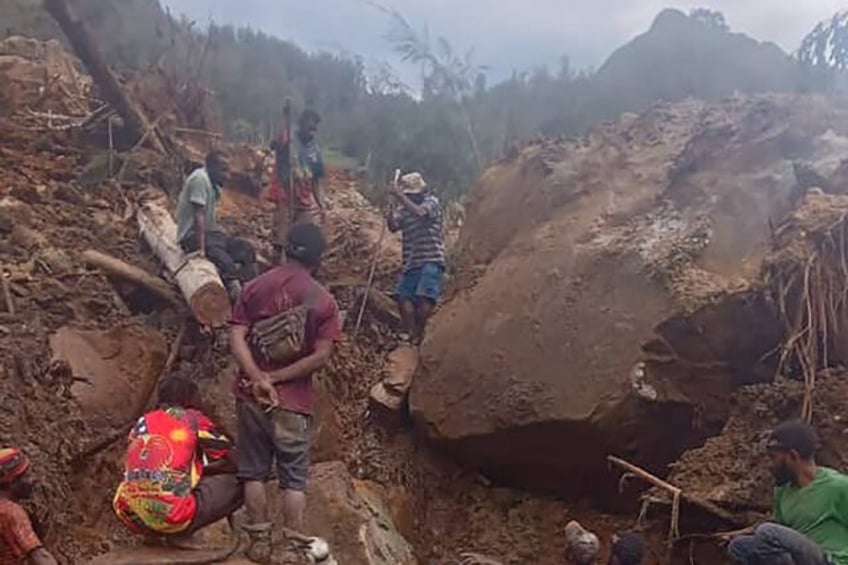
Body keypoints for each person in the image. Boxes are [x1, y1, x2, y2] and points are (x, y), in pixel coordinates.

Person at [230, 222, 342, 562]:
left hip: (251, 395)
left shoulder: (254, 287)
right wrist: (277, 379)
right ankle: (293, 548)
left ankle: (259, 543)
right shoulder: (323, 301)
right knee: (293, 479)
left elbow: (236, 337)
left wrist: (258, 378)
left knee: (253, 471)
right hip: (293, 404)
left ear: (284, 249)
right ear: (318, 260)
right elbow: (321, 356)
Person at [113, 375, 242, 540]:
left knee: (169, 484)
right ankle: (181, 535)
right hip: (172, 516)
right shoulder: (190, 418)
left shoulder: (142, 422)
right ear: (188, 398)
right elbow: (237, 460)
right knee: (243, 478)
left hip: (131, 515)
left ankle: (154, 534)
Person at [728, 420, 848, 564]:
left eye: (773, 458)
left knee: (768, 531)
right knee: (740, 546)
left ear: (792, 455)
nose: (769, 466)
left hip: (831, 561)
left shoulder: (838, 486)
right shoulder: (782, 491)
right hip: (800, 560)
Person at [176, 150, 258, 299]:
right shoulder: (200, 179)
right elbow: (198, 215)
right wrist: (200, 249)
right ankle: (237, 299)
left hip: (209, 235)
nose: (227, 175)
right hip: (191, 237)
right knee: (225, 261)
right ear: (211, 167)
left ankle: (251, 291)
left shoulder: (212, 184)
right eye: (223, 170)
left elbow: (208, 219)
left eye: (228, 170)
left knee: (246, 249)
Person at [386, 171, 446, 344]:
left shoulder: (431, 202)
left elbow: (420, 213)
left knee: (424, 298)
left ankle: (419, 333)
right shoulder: (403, 209)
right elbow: (393, 227)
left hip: (431, 258)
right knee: (403, 298)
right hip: (411, 261)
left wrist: (399, 196)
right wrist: (390, 209)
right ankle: (410, 333)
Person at [269, 109, 328, 263]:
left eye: (315, 127)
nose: (313, 129)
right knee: (281, 241)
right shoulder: (288, 138)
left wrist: (322, 205)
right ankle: (278, 270)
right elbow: (275, 143)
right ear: (301, 124)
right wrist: (285, 118)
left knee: (309, 238)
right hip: (285, 197)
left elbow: (316, 182)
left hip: (303, 203)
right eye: (310, 125)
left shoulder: (315, 152)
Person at [0, 448, 57, 565]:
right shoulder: (11, 513)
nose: (33, 479)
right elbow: (40, 556)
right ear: (10, 481)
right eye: (26, 475)